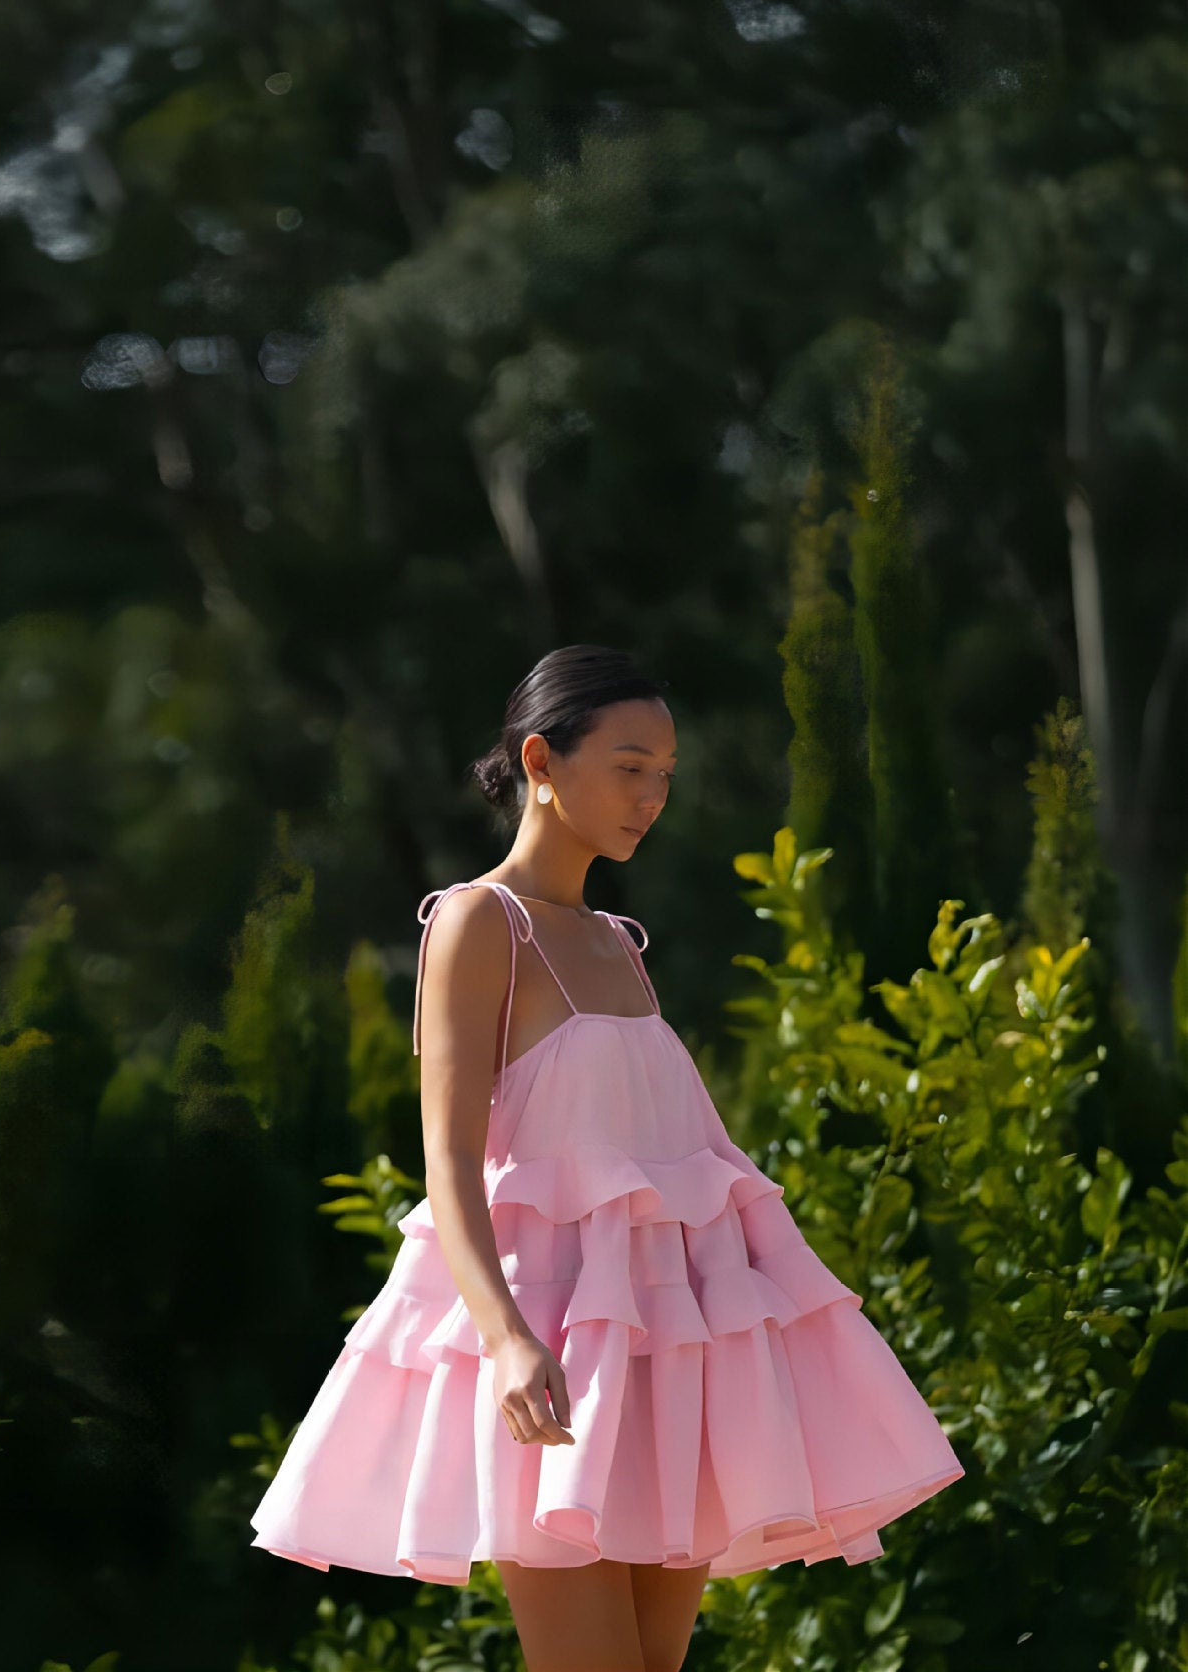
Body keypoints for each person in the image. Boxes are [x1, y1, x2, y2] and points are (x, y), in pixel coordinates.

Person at [250, 644, 965, 1671]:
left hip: (667, 1358)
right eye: (630, 767)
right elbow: (449, 1163)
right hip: (551, 1354)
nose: (652, 796)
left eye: (664, 773)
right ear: (540, 761)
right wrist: (505, 1338)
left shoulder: (617, 943)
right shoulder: (479, 924)